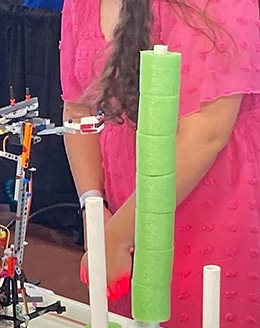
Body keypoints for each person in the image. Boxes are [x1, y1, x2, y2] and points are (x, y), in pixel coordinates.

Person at [60, 0, 260, 326]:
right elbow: (78, 110)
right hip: (123, 204)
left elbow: (207, 133)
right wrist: (94, 209)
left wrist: (120, 235)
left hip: (212, 199)